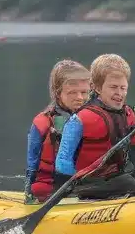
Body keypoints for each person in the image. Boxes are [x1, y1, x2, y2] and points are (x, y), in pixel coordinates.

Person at [53, 53, 135, 199]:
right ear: (97, 88)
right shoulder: (79, 120)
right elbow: (62, 161)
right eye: (113, 87)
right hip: (86, 182)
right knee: (128, 184)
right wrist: (69, 188)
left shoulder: (125, 113)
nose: (119, 93)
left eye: (123, 88)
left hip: (114, 176)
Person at [25, 59, 92, 202]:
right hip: (52, 187)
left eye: (84, 92)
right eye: (72, 92)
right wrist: (29, 197)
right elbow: (32, 165)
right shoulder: (42, 123)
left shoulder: (96, 117)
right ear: (58, 93)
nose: (79, 98)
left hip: (87, 183)